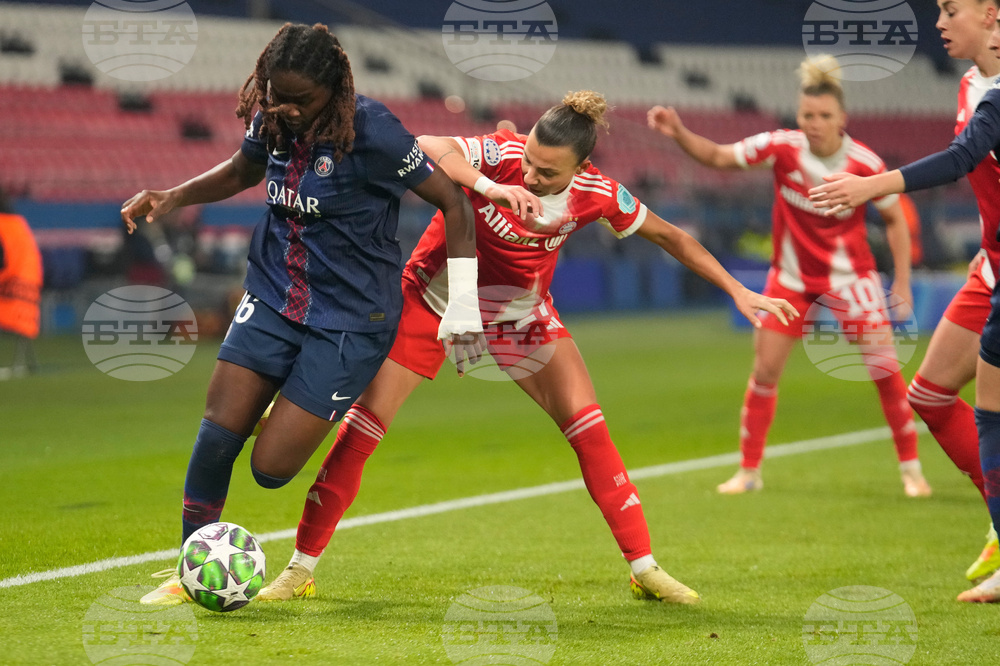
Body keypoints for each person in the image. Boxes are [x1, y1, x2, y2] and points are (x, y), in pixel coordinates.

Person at [253, 90, 798, 605]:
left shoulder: (599, 194)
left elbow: (670, 235)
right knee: (363, 428)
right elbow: (427, 147)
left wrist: (737, 289)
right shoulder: (504, 155)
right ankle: (300, 569)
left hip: (519, 316)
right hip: (433, 300)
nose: (531, 175)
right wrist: (487, 186)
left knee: (590, 429)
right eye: (530, 162)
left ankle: (644, 567)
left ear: (581, 168)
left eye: (546, 172)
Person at [124, 23, 483, 606]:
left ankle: (286, 404)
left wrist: (463, 303)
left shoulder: (374, 132)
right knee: (217, 435)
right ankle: (192, 571)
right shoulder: (271, 117)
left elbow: (455, 204)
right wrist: (175, 195)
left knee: (270, 469)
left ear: (333, 89)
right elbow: (243, 169)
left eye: (300, 100)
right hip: (273, 294)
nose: (285, 109)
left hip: (352, 318)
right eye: (276, 95)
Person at [647, 55, 930, 498]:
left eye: (824, 116)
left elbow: (896, 220)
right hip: (791, 281)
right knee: (764, 372)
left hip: (852, 280)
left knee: (884, 371)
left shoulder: (865, 163)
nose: (814, 124)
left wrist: (903, 281)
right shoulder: (781, 146)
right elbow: (718, 156)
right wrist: (680, 132)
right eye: (807, 115)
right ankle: (748, 472)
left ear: (842, 118)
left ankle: (912, 471)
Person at [808, 0, 1000, 595]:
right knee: (932, 393)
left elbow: (962, 159)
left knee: (993, 413)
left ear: (990, 14)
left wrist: (870, 185)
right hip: (991, 269)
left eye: (951, 9)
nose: (938, 22)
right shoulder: (971, 84)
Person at [0, 186, 42, 378]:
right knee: (22, 324)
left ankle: (18, 364)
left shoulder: (4, 226)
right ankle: (24, 363)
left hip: (9, 282)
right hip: (27, 282)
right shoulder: (18, 225)